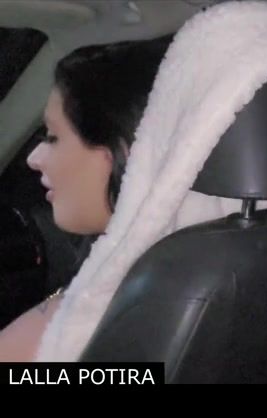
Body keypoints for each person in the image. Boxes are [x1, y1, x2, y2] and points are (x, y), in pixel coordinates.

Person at [0, 36, 171, 361]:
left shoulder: (89, 316)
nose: (33, 158)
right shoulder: (191, 264)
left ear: (124, 151)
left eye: (53, 137)